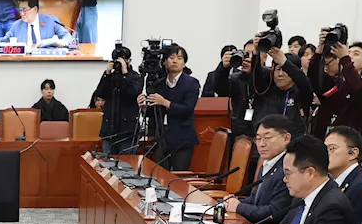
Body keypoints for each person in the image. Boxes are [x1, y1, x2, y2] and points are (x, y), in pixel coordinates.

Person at [264, 135, 357, 224]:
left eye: (288, 173)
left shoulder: (333, 205)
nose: (284, 179)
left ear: (310, 173)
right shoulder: (301, 195)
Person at [217, 114, 294, 224]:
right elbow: (254, 199)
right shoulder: (267, 164)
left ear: (286, 138)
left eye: (267, 138)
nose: (261, 144)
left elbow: (273, 212)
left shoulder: (288, 168)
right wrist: (232, 203)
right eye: (258, 139)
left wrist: (239, 207)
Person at [138, 44, 199, 172]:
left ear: (184, 63)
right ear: (165, 62)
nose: (175, 61)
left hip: (182, 140)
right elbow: (154, 112)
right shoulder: (159, 84)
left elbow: (187, 109)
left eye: (179, 58)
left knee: (178, 179)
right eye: (171, 58)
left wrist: (165, 102)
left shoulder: (191, 83)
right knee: (159, 177)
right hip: (162, 139)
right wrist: (144, 107)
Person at [308, 29, 362, 137]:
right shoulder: (335, 83)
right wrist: (320, 48)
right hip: (320, 141)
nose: (350, 55)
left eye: (356, 54)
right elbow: (313, 76)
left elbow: (358, 89)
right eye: (348, 52)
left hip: (345, 142)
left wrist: (345, 58)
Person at [93, 48, 143, 154]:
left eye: (123, 60)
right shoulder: (109, 77)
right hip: (109, 128)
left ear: (129, 60)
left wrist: (125, 73)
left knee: (127, 165)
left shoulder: (136, 77)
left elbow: (133, 92)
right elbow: (100, 94)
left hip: (128, 130)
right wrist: (107, 73)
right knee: (107, 165)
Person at [255, 45, 313, 135]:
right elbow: (255, 74)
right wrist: (256, 52)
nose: (280, 74)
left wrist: (284, 63)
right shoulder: (266, 90)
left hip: (293, 145)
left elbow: (304, 82)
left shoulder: (301, 93)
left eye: (285, 70)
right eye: (278, 69)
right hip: (266, 143)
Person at [325, 125, 362, 220]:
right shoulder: (332, 182)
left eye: (332, 149)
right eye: (324, 149)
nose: (325, 154)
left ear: (353, 153)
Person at [212, 40, 258, 136]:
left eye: (252, 54)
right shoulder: (236, 78)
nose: (248, 58)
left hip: (262, 131)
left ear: (264, 56)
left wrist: (254, 72)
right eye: (245, 54)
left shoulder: (269, 77)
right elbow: (220, 89)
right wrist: (223, 68)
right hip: (241, 131)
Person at [3, 0, 72, 51]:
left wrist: (62, 42)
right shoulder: (16, 25)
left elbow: (67, 36)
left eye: (25, 10)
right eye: (20, 10)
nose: (22, 14)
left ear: (35, 9)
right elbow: (5, 40)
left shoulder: (52, 21)